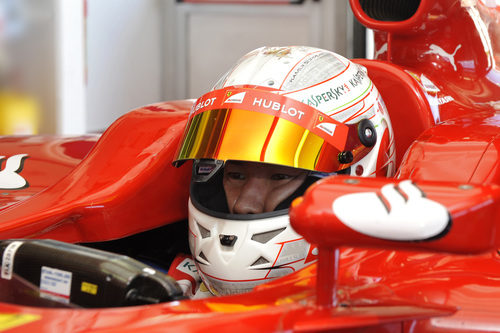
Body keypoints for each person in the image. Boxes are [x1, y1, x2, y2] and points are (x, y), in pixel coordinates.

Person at [170, 46, 396, 298]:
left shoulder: (397, 300)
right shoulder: (171, 289)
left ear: (358, 172)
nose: (245, 205)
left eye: (280, 176)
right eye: (236, 175)